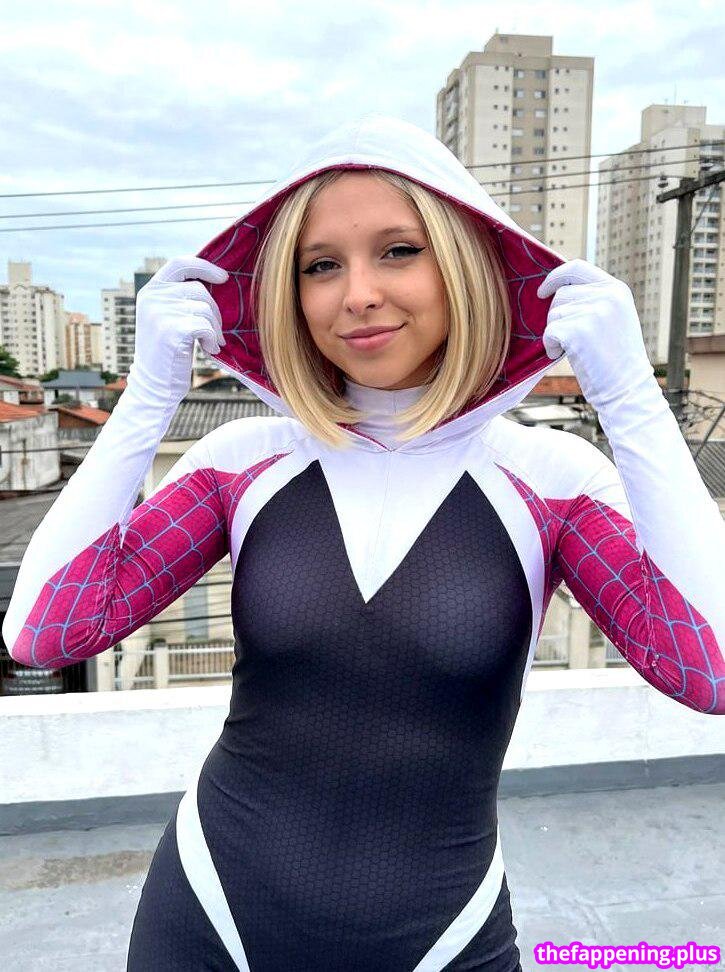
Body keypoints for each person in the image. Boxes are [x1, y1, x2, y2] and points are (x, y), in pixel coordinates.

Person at [3, 112, 723, 972]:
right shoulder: (242, 460)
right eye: (320, 265)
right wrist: (147, 396)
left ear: (463, 263)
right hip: (207, 914)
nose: (357, 295)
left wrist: (630, 397)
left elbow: (709, 671)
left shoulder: (551, 478)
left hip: (443, 938)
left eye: (398, 251)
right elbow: (43, 634)